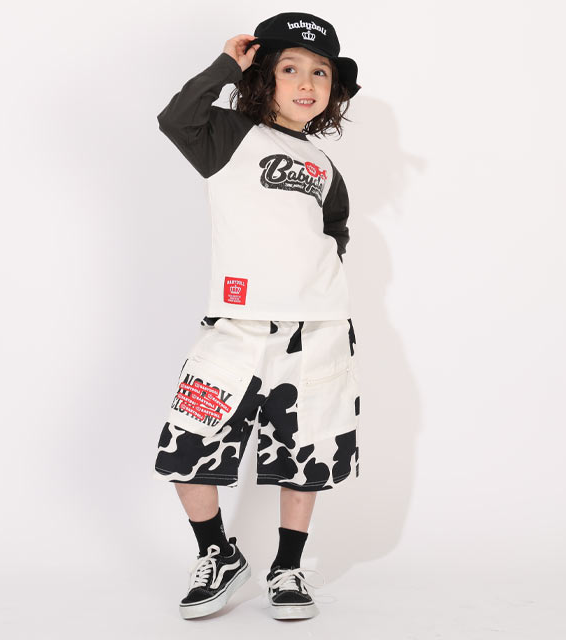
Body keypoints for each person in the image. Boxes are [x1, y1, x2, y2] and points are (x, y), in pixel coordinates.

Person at [153, 12, 362, 620]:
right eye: (289, 68)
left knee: (308, 453)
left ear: (332, 90)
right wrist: (227, 65)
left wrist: (316, 280)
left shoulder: (324, 166)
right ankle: (217, 553)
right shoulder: (227, 135)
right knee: (189, 446)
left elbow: (335, 228)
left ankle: (288, 566)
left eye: (320, 72)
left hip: (317, 329)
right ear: (262, 75)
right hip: (236, 325)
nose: (306, 82)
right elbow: (175, 119)